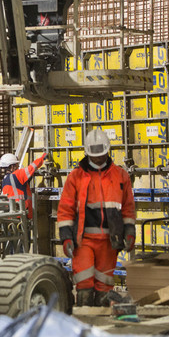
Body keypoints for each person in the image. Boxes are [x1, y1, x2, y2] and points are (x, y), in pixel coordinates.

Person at [57, 129, 136, 307]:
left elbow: (128, 208)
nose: (98, 158)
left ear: (107, 151)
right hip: (83, 240)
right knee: (84, 285)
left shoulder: (120, 176)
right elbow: (65, 209)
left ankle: (100, 328)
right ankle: (83, 326)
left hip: (110, 241)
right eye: (95, 155)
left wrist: (130, 231)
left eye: (101, 154)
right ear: (87, 153)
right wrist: (66, 237)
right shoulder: (75, 177)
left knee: (104, 289)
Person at [0, 152, 47, 219]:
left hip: (11, 215)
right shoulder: (18, 175)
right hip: (22, 213)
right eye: (17, 165)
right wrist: (42, 158)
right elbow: (32, 167)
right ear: (12, 166)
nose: (18, 167)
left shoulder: (4, 180)